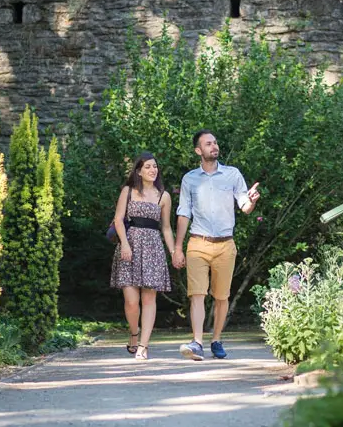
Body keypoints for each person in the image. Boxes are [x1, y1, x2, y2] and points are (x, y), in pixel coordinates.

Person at [173, 130, 260, 360]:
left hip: (225, 245)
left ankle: (217, 340)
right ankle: (197, 342)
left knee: (221, 296)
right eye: (208, 144)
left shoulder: (232, 175)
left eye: (215, 143)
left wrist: (250, 202)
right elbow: (183, 214)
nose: (214, 146)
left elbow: (244, 206)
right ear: (198, 151)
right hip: (197, 243)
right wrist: (178, 248)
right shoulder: (189, 179)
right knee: (197, 294)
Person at [110, 152, 177, 361]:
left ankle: (143, 346)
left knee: (149, 299)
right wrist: (125, 245)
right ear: (139, 170)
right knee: (131, 301)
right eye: (148, 166)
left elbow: (166, 228)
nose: (152, 170)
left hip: (153, 248)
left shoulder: (163, 195)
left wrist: (174, 251)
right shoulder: (128, 191)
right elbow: (118, 220)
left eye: (155, 166)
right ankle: (134, 333)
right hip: (129, 246)